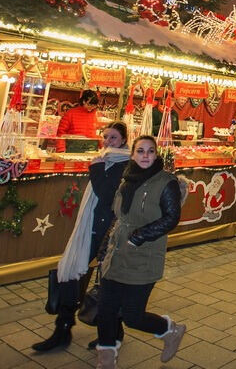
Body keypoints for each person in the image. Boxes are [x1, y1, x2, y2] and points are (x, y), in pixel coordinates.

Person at [33, 121, 130, 353]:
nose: (108, 142)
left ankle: (112, 333)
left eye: (114, 138)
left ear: (124, 141)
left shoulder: (124, 163)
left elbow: (107, 195)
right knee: (71, 272)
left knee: (105, 281)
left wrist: (96, 168)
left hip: (109, 229)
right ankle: (63, 328)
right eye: (105, 137)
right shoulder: (106, 158)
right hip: (91, 227)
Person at [95, 135, 187, 368]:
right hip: (116, 254)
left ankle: (169, 330)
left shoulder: (166, 182)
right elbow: (118, 217)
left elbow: (171, 217)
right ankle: (106, 359)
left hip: (144, 254)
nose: (145, 156)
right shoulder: (127, 180)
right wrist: (104, 249)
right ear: (133, 154)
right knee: (105, 310)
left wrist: (138, 237)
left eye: (150, 151)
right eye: (140, 151)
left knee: (132, 316)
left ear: (157, 155)